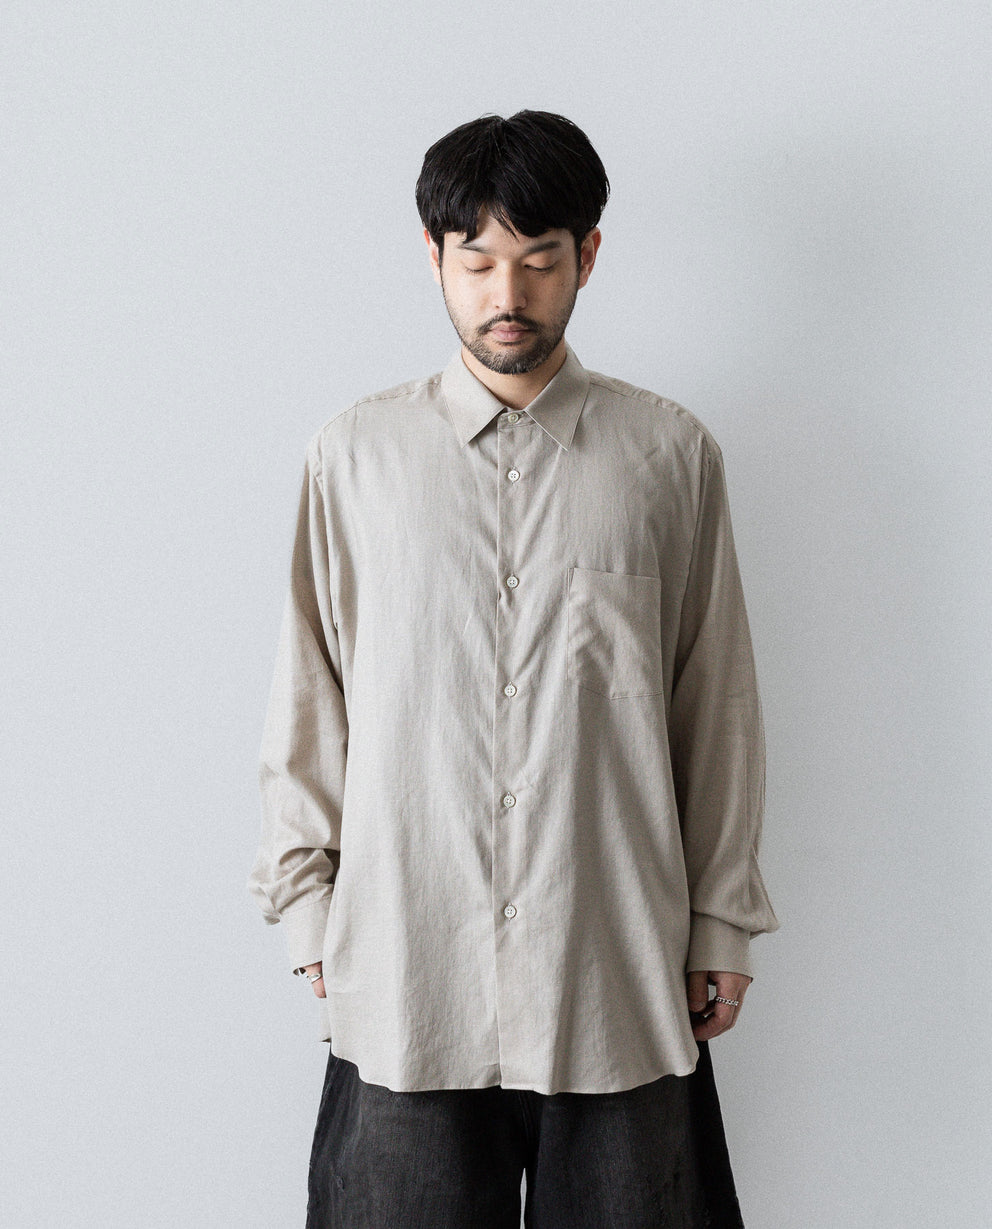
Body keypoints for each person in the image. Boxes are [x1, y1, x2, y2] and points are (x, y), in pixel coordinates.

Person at [248, 109, 780, 1228]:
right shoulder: (355, 458)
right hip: (407, 970)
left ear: (587, 256)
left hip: (614, 969)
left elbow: (714, 703)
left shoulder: (668, 456)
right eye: (478, 260)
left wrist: (720, 921)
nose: (508, 293)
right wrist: (308, 912)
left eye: (539, 260)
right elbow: (310, 694)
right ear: (433, 258)